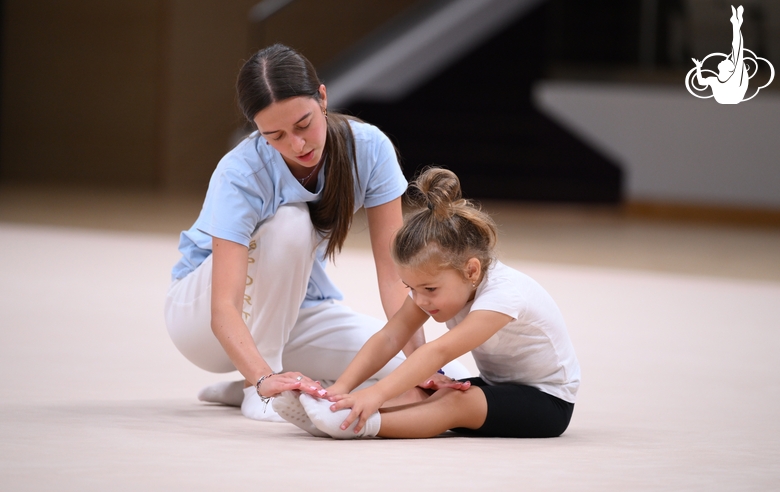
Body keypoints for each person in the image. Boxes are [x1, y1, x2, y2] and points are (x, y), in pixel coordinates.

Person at [164, 44, 468, 422]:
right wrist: (261, 378)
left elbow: (396, 277)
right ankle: (258, 387)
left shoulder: (370, 149)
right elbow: (223, 307)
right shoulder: (240, 172)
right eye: (275, 135)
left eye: (303, 124)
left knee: (446, 377)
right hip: (200, 322)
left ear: (322, 97)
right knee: (289, 223)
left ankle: (267, 382)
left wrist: (420, 364)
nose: (296, 145)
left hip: (295, 311)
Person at [274, 167, 581, 438]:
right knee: (423, 389)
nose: (420, 300)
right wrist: (339, 389)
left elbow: (440, 350)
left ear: (471, 270)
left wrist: (375, 393)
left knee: (455, 401)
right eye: (411, 288)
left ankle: (358, 426)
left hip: (548, 402)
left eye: (429, 289)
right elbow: (390, 335)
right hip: (498, 387)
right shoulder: (445, 283)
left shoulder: (504, 295)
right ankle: (339, 413)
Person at [692, 5, 748, 104]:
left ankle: (736, 24)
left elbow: (737, 49)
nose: (725, 59)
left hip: (733, 96)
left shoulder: (733, 78)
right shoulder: (715, 80)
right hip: (728, 97)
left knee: (737, 51)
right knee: (737, 51)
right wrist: (698, 67)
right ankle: (736, 24)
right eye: (728, 60)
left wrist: (736, 26)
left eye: (727, 61)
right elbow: (700, 82)